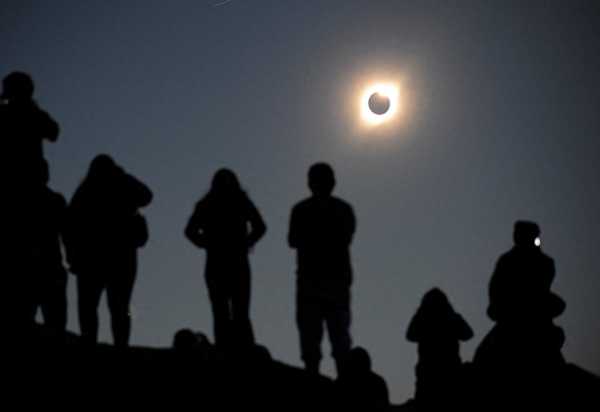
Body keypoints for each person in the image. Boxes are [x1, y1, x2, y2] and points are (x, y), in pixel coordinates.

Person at [64, 154, 152, 347]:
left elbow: (147, 196)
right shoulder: (89, 191)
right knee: (114, 306)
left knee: (103, 306)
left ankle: (100, 343)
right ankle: (114, 344)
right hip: (111, 257)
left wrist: (72, 256)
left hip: (102, 258)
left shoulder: (86, 191)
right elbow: (70, 225)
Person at [185, 169, 266, 349]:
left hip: (221, 262)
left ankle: (230, 350)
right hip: (231, 262)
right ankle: (240, 351)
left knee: (226, 311)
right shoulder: (238, 201)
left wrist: (206, 243)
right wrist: (246, 243)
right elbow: (260, 226)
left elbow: (190, 231)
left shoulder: (209, 203)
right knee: (235, 311)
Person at [288, 162, 356, 375]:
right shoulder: (343, 209)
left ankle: (318, 377)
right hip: (328, 281)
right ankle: (334, 378)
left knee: (319, 335)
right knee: (331, 335)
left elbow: (293, 240)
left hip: (318, 281)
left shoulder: (301, 210)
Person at [406, 288, 473, 406]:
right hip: (443, 374)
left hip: (433, 375)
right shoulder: (449, 317)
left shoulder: (425, 318)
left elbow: (410, 335)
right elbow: (468, 334)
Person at [25, 160, 68, 333]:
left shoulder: (54, 201)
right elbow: (67, 233)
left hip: (39, 268)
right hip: (49, 267)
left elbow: (67, 233)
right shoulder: (55, 201)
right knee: (56, 323)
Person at [0, 71, 59, 189]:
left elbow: (53, 132)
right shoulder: (34, 114)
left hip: (29, 177)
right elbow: (53, 132)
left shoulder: (33, 114)